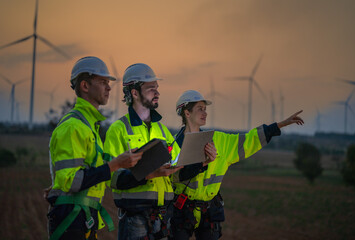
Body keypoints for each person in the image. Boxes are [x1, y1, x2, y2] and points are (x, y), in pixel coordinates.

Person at [170, 90, 304, 240]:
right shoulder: (173, 145)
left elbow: (249, 139)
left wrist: (279, 125)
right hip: (182, 212)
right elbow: (174, 177)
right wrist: (202, 163)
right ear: (186, 113)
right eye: (200, 109)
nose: (205, 113)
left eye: (205, 109)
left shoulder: (220, 140)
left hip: (209, 212)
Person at [103, 63, 217, 240]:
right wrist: (148, 174)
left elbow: (177, 174)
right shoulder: (118, 130)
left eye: (157, 88)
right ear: (134, 92)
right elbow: (112, 178)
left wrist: (201, 163)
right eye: (151, 89)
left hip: (164, 219)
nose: (157, 93)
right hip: (136, 219)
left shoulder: (163, 131)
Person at [46, 56, 143, 240]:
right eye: (103, 82)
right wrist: (114, 164)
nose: (109, 87)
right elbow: (72, 181)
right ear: (85, 86)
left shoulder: (89, 126)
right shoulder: (73, 127)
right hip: (71, 219)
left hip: (83, 217)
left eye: (108, 82)